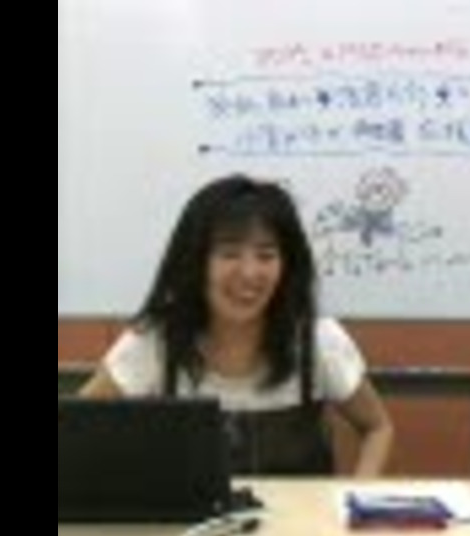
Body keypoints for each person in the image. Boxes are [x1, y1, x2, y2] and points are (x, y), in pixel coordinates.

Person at [79, 174, 394, 476]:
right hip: (191, 517)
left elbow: (378, 427)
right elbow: (75, 428)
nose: (249, 273)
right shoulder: (155, 340)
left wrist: (355, 497)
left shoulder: (318, 340)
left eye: (266, 256)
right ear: (194, 261)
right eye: (229, 254)